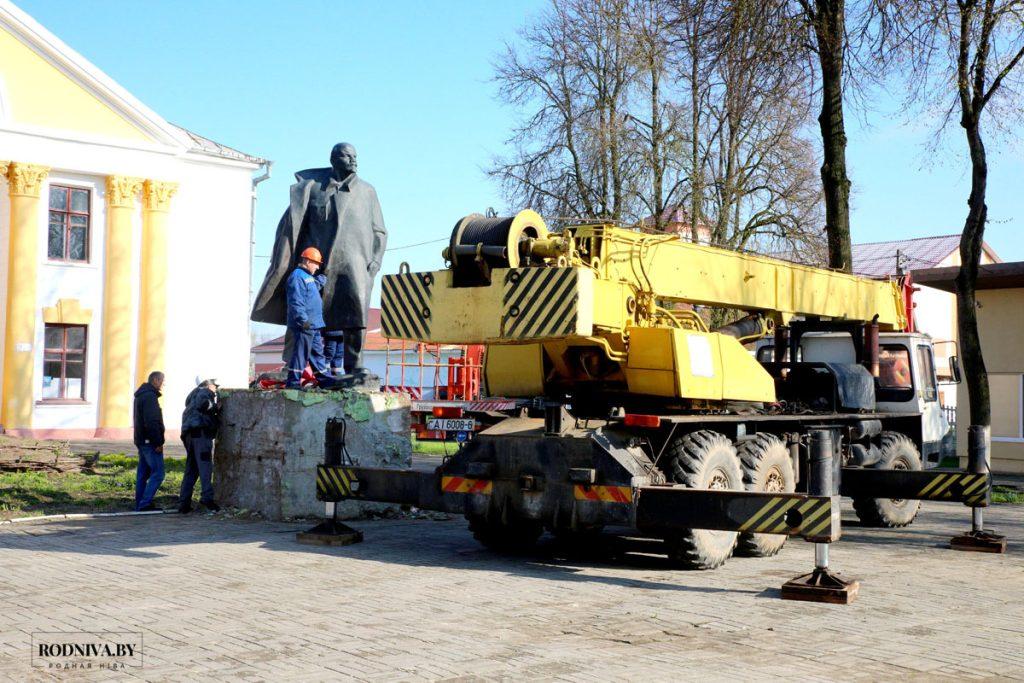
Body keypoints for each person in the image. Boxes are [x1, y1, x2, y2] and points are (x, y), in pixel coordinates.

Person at [251, 142, 387, 384]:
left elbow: (379, 231)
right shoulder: (313, 188)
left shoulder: (367, 191)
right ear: (334, 159)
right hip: (316, 263)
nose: (354, 161)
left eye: (355, 156)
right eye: (347, 156)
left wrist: (375, 261)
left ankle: (354, 366)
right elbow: (293, 224)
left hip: (354, 264)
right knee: (300, 315)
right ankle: (292, 365)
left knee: (355, 317)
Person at [285, 247, 337, 389]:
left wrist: (323, 277)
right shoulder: (297, 276)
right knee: (301, 354)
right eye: (316, 263)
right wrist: (303, 321)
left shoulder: (308, 277)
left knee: (317, 354)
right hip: (305, 324)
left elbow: (315, 286)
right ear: (307, 261)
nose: (317, 266)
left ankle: (325, 381)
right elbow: (296, 301)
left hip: (313, 324)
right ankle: (293, 382)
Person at [178, 378, 221, 513]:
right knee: (205, 467)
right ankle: (207, 498)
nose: (216, 389)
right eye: (215, 386)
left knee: (192, 469)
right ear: (208, 385)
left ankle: (184, 503)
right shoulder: (204, 392)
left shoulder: (191, 398)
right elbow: (204, 404)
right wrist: (216, 407)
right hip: (201, 436)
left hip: (189, 436)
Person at [133, 371, 166, 511]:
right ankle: (144, 503)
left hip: (142, 440)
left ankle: (140, 504)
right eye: (162, 380)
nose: (164, 383)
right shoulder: (150, 397)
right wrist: (157, 442)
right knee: (158, 473)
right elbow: (152, 422)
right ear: (155, 380)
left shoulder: (141, 395)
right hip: (150, 442)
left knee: (143, 474)